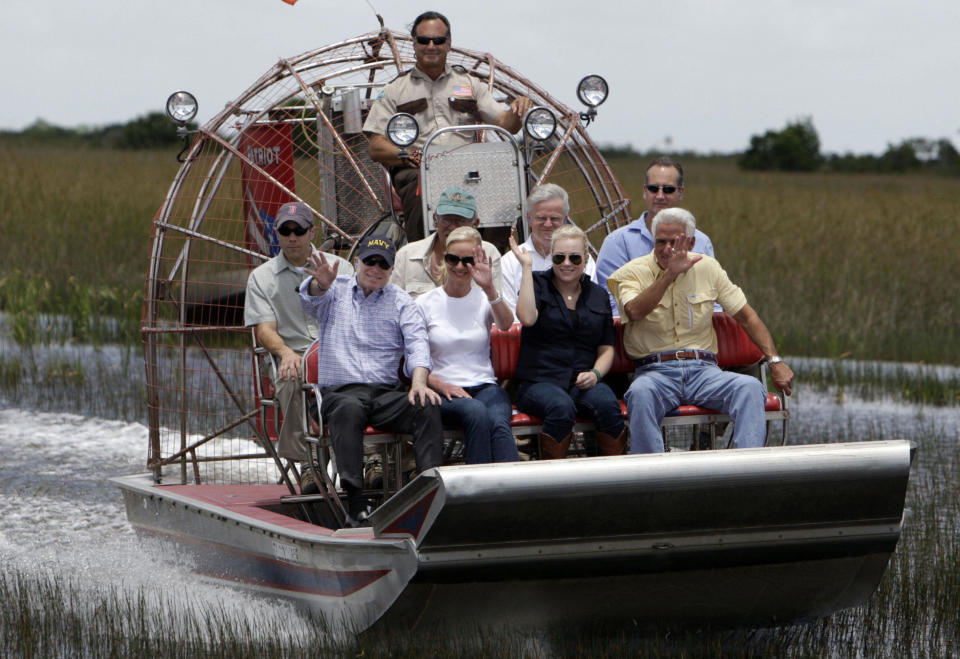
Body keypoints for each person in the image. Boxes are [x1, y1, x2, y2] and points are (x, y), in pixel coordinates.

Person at [607, 208, 794, 454]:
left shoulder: (709, 268)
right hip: (655, 372)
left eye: (674, 242)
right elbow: (634, 312)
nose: (665, 249)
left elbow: (746, 316)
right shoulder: (631, 272)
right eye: (660, 242)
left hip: (704, 370)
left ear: (691, 242)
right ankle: (653, 480)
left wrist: (774, 359)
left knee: (749, 387)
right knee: (640, 394)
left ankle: (747, 474)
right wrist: (669, 274)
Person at [298, 234, 443, 525]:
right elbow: (309, 300)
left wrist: (418, 382)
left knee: (426, 406)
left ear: (391, 270)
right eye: (370, 261)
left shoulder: (401, 300)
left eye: (384, 264)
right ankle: (355, 500)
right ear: (357, 262)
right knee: (349, 409)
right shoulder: (334, 290)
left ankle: (431, 491)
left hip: (384, 393)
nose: (375, 269)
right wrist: (320, 283)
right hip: (340, 392)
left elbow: (417, 343)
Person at [363, 10, 534, 242]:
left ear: (449, 43)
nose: (431, 46)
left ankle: (490, 256)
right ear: (414, 44)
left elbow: (506, 124)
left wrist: (518, 110)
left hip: (468, 168)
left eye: (438, 40)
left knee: (507, 190)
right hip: (418, 168)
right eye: (424, 40)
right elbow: (376, 148)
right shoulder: (395, 90)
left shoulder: (470, 85)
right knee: (419, 190)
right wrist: (408, 154)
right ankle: (420, 257)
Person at [243, 201, 353, 469]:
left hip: (336, 352)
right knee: (291, 375)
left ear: (312, 232)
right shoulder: (261, 277)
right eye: (285, 230)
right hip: (294, 354)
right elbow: (264, 330)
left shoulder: (342, 268)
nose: (292, 237)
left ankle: (373, 457)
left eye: (299, 230)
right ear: (277, 233)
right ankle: (307, 464)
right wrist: (284, 353)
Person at [509, 224, 626, 459]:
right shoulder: (537, 283)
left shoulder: (598, 294)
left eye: (574, 257)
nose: (566, 263)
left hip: (583, 380)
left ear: (585, 259)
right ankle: (552, 482)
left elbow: (606, 348)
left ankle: (612, 480)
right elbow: (527, 318)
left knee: (607, 405)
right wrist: (526, 267)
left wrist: (595, 374)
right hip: (538, 381)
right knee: (560, 407)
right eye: (559, 257)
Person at [417, 226, 519, 464]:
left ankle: (515, 494)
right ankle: (477, 491)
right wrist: (440, 385)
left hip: (484, 386)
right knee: (476, 413)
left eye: (468, 261)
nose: (460, 267)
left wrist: (489, 287)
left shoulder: (485, 297)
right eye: (454, 259)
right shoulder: (425, 303)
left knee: (498, 424)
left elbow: (505, 324)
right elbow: (412, 359)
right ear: (444, 259)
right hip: (441, 390)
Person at [596, 157, 716, 314]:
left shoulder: (701, 241)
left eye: (668, 190)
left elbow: (712, 299)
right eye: (653, 189)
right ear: (644, 192)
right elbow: (612, 304)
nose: (660, 196)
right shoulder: (617, 242)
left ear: (681, 193)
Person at [500, 183, 598, 311]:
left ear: (565, 219)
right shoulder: (509, 261)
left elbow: (590, 305)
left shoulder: (580, 259)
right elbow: (512, 317)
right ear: (529, 219)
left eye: (554, 218)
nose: (547, 224)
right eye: (541, 218)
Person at [390, 186, 502, 298]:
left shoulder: (488, 253)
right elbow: (392, 305)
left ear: (476, 224)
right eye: (446, 220)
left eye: (461, 220)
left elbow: (497, 305)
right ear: (435, 219)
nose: (453, 227)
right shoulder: (407, 255)